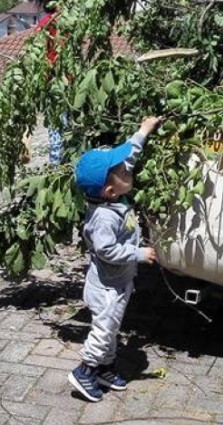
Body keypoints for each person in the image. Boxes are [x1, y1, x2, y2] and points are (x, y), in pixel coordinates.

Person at [69, 116, 163, 402]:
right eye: (122, 170)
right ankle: (85, 370)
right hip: (107, 288)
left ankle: (104, 368)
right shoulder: (104, 218)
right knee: (104, 328)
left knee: (111, 329)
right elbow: (106, 250)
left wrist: (143, 132)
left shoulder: (112, 198)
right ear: (110, 190)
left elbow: (128, 157)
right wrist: (137, 253)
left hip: (117, 284)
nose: (128, 169)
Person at [36, 0, 64, 164]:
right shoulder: (47, 24)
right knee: (58, 126)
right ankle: (56, 166)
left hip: (68, 82)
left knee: (63, 127)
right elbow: (40, 55)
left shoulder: (66, 22)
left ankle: (60, 163)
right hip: (55, 84)